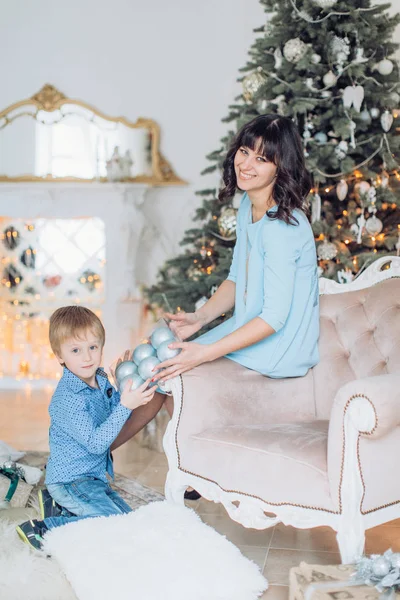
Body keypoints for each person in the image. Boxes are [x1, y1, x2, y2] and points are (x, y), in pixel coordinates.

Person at [152, 114, 319, 386]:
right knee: (160, 369)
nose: (246, 164)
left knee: (171, 376)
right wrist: (200, 318)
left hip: (279, 349)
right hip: (247, 329)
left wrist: (205, 353)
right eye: (244, 151)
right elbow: (236, 278)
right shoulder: (247, 206)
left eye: (261, 159)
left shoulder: (282, 228)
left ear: (281, 167)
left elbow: (274, 319)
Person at [16, 305, 164, 550]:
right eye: (76, 350)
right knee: (110, 522)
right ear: (59, 356)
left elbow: (112, 412)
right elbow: (96, 444)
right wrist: (126, 406)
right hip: (70, 481)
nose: (87, 357)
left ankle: (58, 506)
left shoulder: (100, 379)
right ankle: (45, 528)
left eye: (93, 348)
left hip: (93, 479)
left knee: (129, 519)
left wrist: (123, 386)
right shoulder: (68, 399)